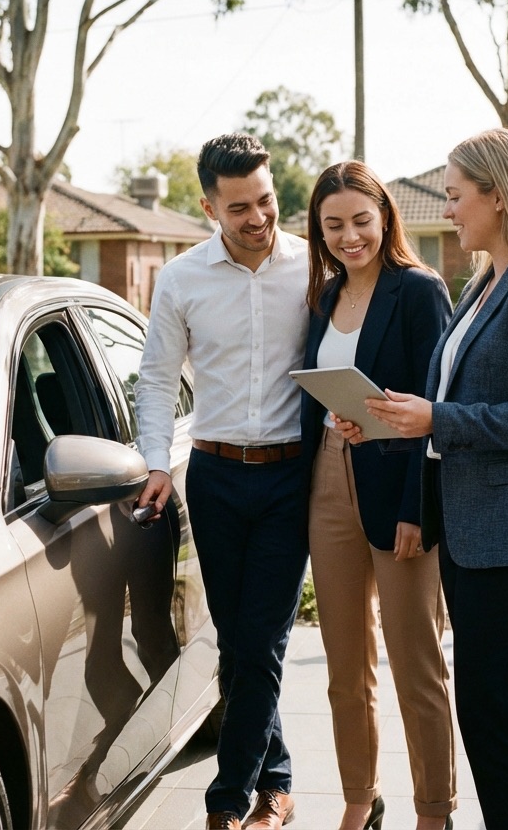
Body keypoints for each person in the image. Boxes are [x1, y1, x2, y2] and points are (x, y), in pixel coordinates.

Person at [357, 128, 508, 830]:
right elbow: (453, 401)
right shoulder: (487, 281)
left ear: (499, 195)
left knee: (494, 717)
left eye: (455, 195)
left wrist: (435, 418)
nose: (447, 211)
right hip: (474, 533)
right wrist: (389, 421)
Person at [133, 132, 310, 830]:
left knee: (260, 642)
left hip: (291, 477)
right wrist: (156, 462)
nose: (258, 217)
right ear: (210, 208)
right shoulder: (181, 279)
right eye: (239, 207)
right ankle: (278, 780)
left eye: (265, 200)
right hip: (213, 479)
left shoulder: (313, 266)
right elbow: (155, 378)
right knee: (238, 644)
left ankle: (227, 801)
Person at [299, 161, 457, 830]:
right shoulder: (323, 297)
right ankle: (361, 799)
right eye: (333, 225)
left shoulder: (418, 290)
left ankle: (434, 811)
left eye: (361, 221)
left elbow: (439, 403)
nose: (349, 237)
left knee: (416, 661)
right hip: (329, 479)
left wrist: (418, 509)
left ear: (385, 217)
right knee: (344, 663)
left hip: (400, 487)